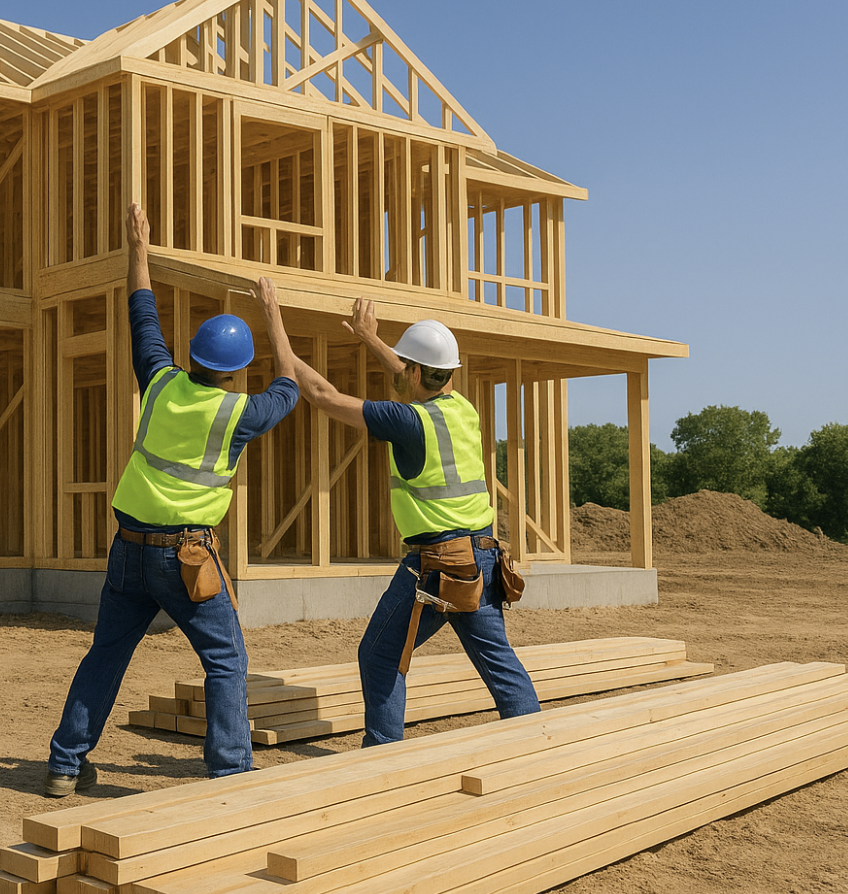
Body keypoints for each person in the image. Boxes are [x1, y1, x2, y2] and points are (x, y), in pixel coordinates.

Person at [42, 204, 300, 794]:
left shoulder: (159, 382)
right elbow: (287, 384)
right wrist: (273, 316)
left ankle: (64, 763)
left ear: (194, 357)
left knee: (105, 654)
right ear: (235, 372)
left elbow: (143, 314)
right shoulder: (240, 412)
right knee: (225, 660)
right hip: (186, 557)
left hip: (128, 550)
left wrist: (140, 249)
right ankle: (230, 771)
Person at [265, 289, 541, 746]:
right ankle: (536, 746)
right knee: (499, 662)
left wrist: (276, 332)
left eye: (404, 366)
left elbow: (323, 395)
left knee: (379, 655)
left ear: (416, 372)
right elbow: (411, 376)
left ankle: (383, 758)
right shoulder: (461, 408)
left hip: (435, 564)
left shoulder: (407, 421)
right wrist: (372, 340)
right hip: (483, 557)